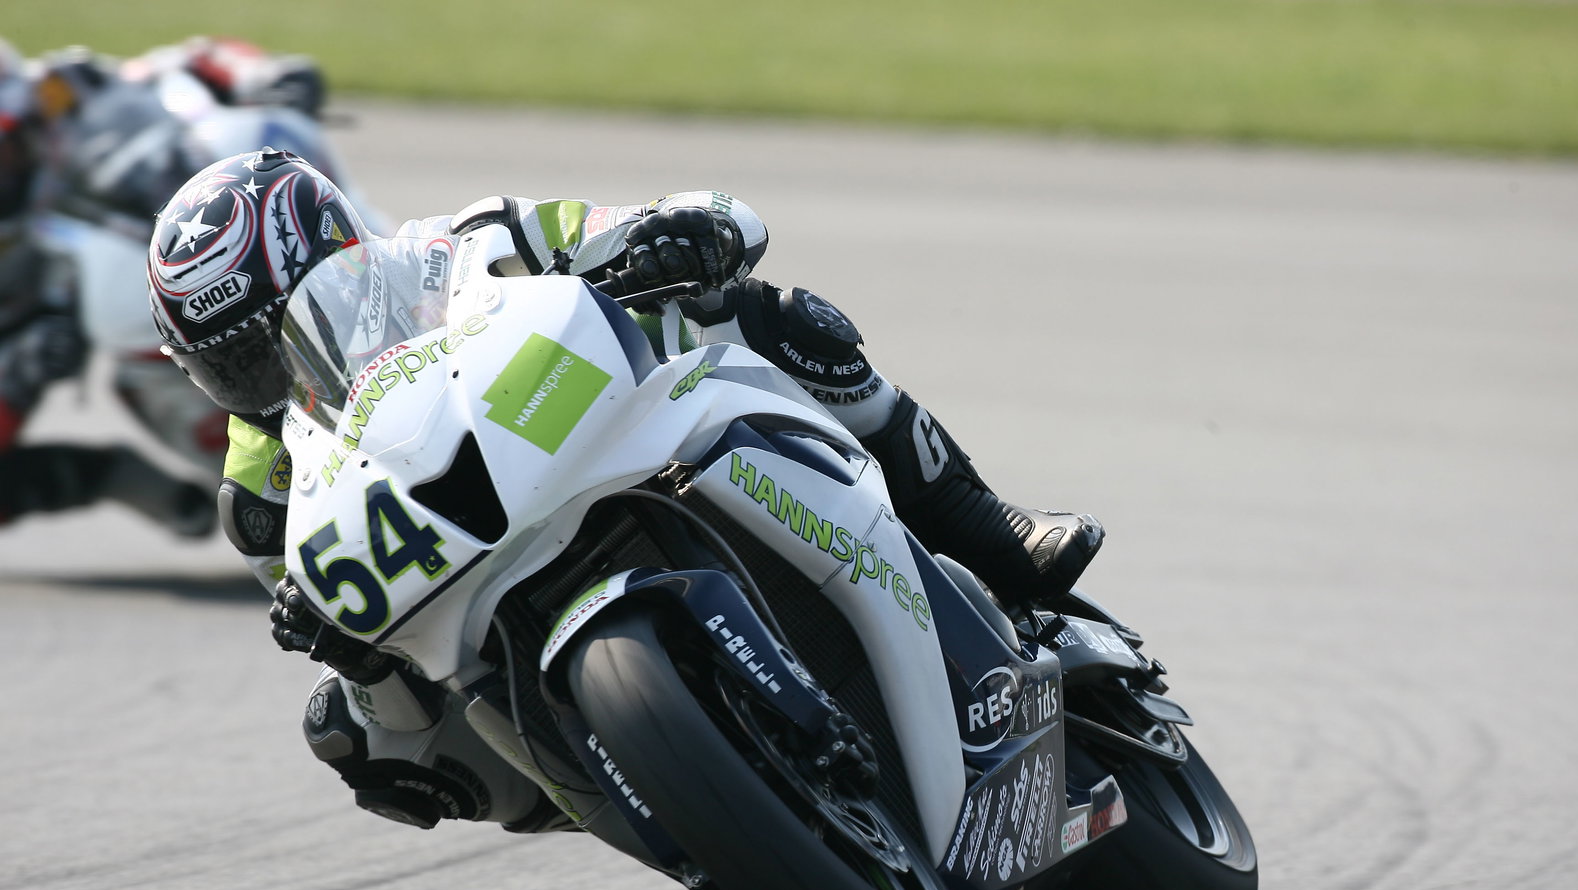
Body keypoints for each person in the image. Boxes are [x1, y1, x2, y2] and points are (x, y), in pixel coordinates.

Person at [147, 148, 1105, 832]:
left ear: (334, 253)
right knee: (355, 738)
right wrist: (345, 652)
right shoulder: (259, 493)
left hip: (604, 431)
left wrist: (674, 234)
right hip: (474, 597)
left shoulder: (461, 244)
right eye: (228, 364)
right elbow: (363, 627)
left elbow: (622, 226)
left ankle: (993, 531)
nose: (262, 374)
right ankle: (636, 778)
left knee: (763, 317)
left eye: (266, 336)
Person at [0, 37, 326, 534]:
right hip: (39, 326)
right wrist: (18, 367)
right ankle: (123, 479)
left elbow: (181, 66)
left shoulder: (65, 85)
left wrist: (256, 75)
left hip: (152, 238)